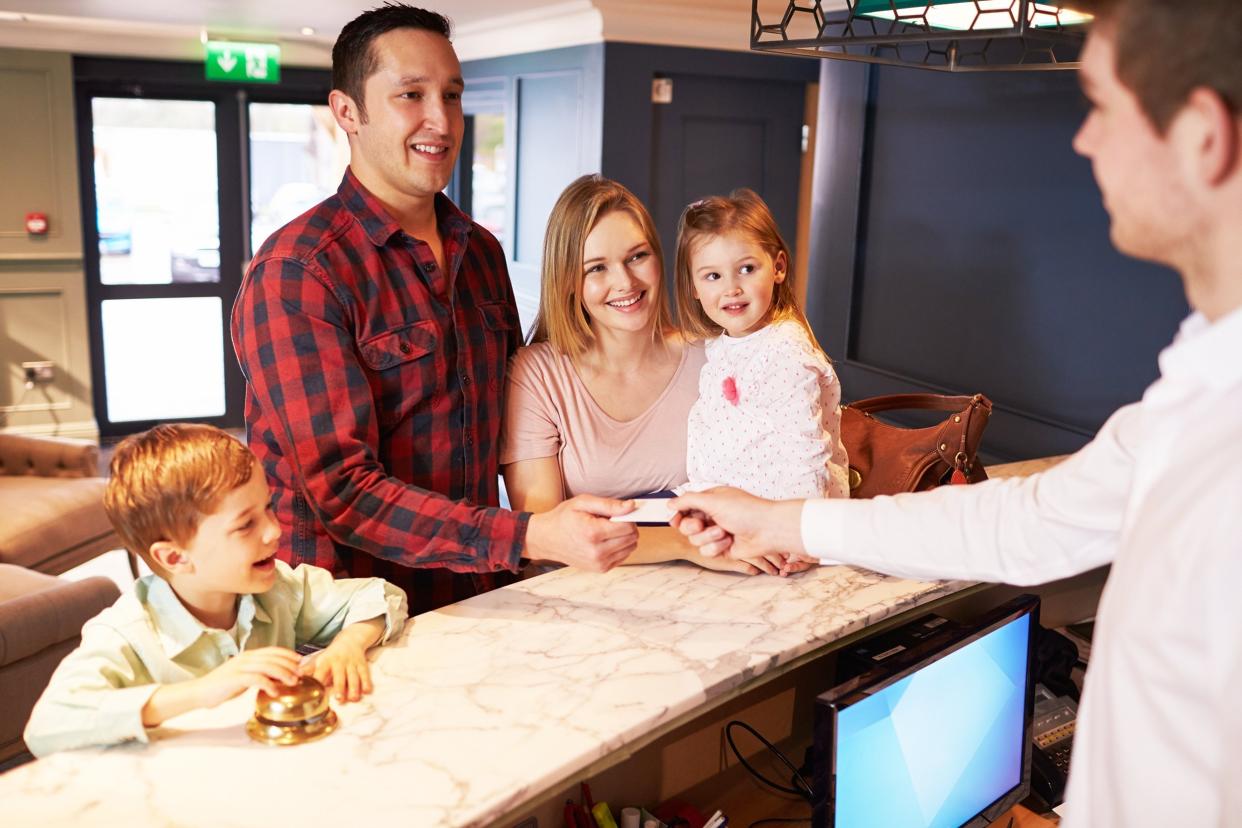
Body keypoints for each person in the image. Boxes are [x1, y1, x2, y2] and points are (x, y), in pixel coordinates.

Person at [671, 1, 1242, 824]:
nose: (1083, 140)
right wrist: (784, 521)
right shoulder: (1191, 392)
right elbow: (1030, 521)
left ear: (1199, 138)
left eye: (1104, 109)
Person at [231, 5, 637, 616]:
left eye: (451, 95)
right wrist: (527, 536)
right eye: (410, 95)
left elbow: (525, 411)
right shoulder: (299, 271)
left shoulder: (480, 252)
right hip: (337, 617)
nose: (440, 120)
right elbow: (340, 490)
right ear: (347, 112)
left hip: (470, 591)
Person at [22, 424, 409, 757]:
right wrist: (202, 691)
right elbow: (47, 726)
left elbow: (380, 595)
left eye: (269, 508)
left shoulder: (277, 590)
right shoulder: (126, 633)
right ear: (174, 557)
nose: (274, 531)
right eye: (245, 525)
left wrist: (348, 645)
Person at [501, 175, 776, 575]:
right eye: (597, 268)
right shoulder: (536, 375)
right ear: (568, 282)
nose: (625, 282)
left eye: (636, 257)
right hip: (581, 598)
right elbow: (546, 539)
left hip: (716, 584)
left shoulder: (714, 358)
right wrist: (688, 545)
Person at [673, 190, 849, 502]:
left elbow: (804, 457)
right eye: (713, 275)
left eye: (747, 269)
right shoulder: (720, 346)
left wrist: (790, 530)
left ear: (778, 267)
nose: (731, 288)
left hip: (780, 521)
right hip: (724, 509)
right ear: (694, 287)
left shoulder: (786, 352)